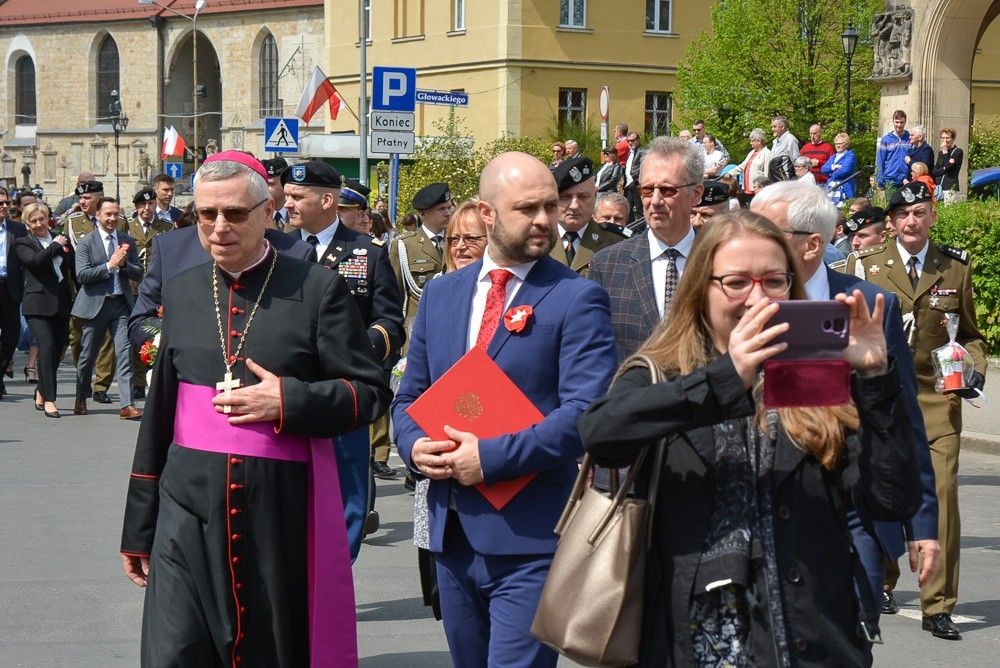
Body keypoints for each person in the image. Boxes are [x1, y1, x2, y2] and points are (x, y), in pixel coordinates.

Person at [579, 209, 921, 666]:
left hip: (808, 639)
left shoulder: (814, 370)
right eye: (737, 282)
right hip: (689, 640)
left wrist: (876, 380)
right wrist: (726, 378)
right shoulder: (663, 369)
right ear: (702, 287)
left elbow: (891, 501)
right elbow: (601, 435)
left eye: (773, 281)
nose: (756, 298)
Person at [120, 152, 390, 666]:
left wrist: (290, 400)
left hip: (280, 511)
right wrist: (139, 527)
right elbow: (159, 416)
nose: (219, 227)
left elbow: (370, 391)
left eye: (235, 214)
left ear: (268, 211)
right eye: (206, 214)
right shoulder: (180, 292)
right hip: (186, 511)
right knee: (174, 652)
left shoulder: (316, 289)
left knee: (269, 651)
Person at [392, 151, 618, 667]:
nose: (544, 220)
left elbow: (586, 412)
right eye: (527, 209)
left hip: (530, 538)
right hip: (452, 537)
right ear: (487, 214)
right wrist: (413, 446)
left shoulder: (575, 298)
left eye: (549, 206)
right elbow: (409, 397)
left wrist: (489, 458)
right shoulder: (442, 295)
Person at [753, 181, 940, 628]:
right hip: (760, 504)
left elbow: (903, 418)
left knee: (849, 641)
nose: (750, 243)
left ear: (812, 244)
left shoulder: (868, 305)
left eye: (766, 233)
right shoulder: (737, 298)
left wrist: (922, 524)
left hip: (852, 514)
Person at [840, 181, 987, 641]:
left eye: (920, 213)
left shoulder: (955, 268)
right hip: (878, 404)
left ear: (932, 217)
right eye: (902, 214)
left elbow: (971, 335)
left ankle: (938, 605)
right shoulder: (864, 266)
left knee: (941, 501)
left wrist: (972, 368)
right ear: (890, 222)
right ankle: (882, 580)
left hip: (934, 402)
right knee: (880, 494)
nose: (911, 221)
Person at [282, 160, 405, 502]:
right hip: (288, 392)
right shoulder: (276, 249)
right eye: (287, 195)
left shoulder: (368, 252)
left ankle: (343, 558)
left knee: (346, 497)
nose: (286, 203)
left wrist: (356, 353)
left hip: (342, 392)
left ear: (326, 201)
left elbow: (389, 324)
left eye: (296, 196)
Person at [590, 136, 704, 361]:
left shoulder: (720, 258)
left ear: (696, 194)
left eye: (668, 190)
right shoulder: (608, 264)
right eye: (647, 190)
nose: (656, 200)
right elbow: (596, 353)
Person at [71, 197, 143, 420]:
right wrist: (109, 266)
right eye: (108, 214)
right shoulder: (86, 243)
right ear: (99, 216)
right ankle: (81, 397)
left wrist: (124, 265)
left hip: (120, 305)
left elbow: (139, 273)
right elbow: (82, 275)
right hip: (94, 306)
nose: (112, 219)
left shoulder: (126, 240)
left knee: (124, 354)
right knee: (87, 356)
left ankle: (126, 404)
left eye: (116, 214)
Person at [13, 202, 72, 417]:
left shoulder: (59, 239)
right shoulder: (23, 243)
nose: (39, 224)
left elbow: (69, 269)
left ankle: (41, 390)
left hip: (61, 304)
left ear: (48, 219)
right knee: (45, 347)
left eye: (42, 219)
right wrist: (55, 245)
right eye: (33, 221)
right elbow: (36, 261)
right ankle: (50, 399)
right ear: (27, 224)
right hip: (37, 305)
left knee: (57, 351)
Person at [389, 183, 452, 341]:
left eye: (449, 207)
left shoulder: (457, 241)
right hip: (417, 328)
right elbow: (394, 295)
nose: (448, 213)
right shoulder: (404, 245)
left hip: (452, 324)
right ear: (423, 214)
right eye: (441, 209)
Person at [548, 155, 628, 277]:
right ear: (553, 199)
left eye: (582, 197)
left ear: (595, 196)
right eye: (565, 197)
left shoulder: (617, 243)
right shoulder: (536, 239)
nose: (574, 206)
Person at [0, 187, 27, 399]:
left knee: (11, 337)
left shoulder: (17, 229)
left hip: (10, 287)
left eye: (6, 203)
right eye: (0, 203)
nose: (4, 207)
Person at [443, 199, 488, 273]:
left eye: (470, 238)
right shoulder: (439, 284)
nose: (459, 246)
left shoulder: (510, 284)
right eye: (455, 239)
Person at [877, 110, 910, 190]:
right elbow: (880, 160)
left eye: (901, 122)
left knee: (904, 203)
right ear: (893, 122)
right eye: (897, 122)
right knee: (891, 202)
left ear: (905, 122)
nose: (899, 125)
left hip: (906, 179)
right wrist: (880, 180)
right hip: (890, 179)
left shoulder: (909, 138)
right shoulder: (886, 139)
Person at [734, 128, 771, 202]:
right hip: (747, 188)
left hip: (758, 190)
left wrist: (763, 188)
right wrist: (730, 173)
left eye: (752, 140)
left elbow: (767, 174)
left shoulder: (767, 153)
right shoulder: (752, 152)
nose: (750, 143)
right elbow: (743, 165)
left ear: (759, 141)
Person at [822, 132, 858, 205]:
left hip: (845, 188)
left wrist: (831, 174)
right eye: (836, 144)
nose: (838, 146)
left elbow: (845, 170)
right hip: (832, 190)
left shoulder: (850, 156)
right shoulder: (833, 157)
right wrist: (834, 167)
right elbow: (823, 169)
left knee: (844, 210)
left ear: (846, 144)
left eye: (841, 143)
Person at [933, 128, 964, 201]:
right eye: (943, 138)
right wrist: (943, 169)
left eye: (947, 138)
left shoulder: (958, 152)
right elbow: (935, 171)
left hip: (950, 188)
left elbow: (948, 167)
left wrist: (945, 151)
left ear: (953, 139)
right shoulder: (940, 153)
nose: (945, 140)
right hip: (939, 188)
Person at [261, 157, 289, 229]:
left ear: (285, 183)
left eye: (271, 184)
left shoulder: (299, 214)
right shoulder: (258, 215)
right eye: (263, 184)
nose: (265, 188)